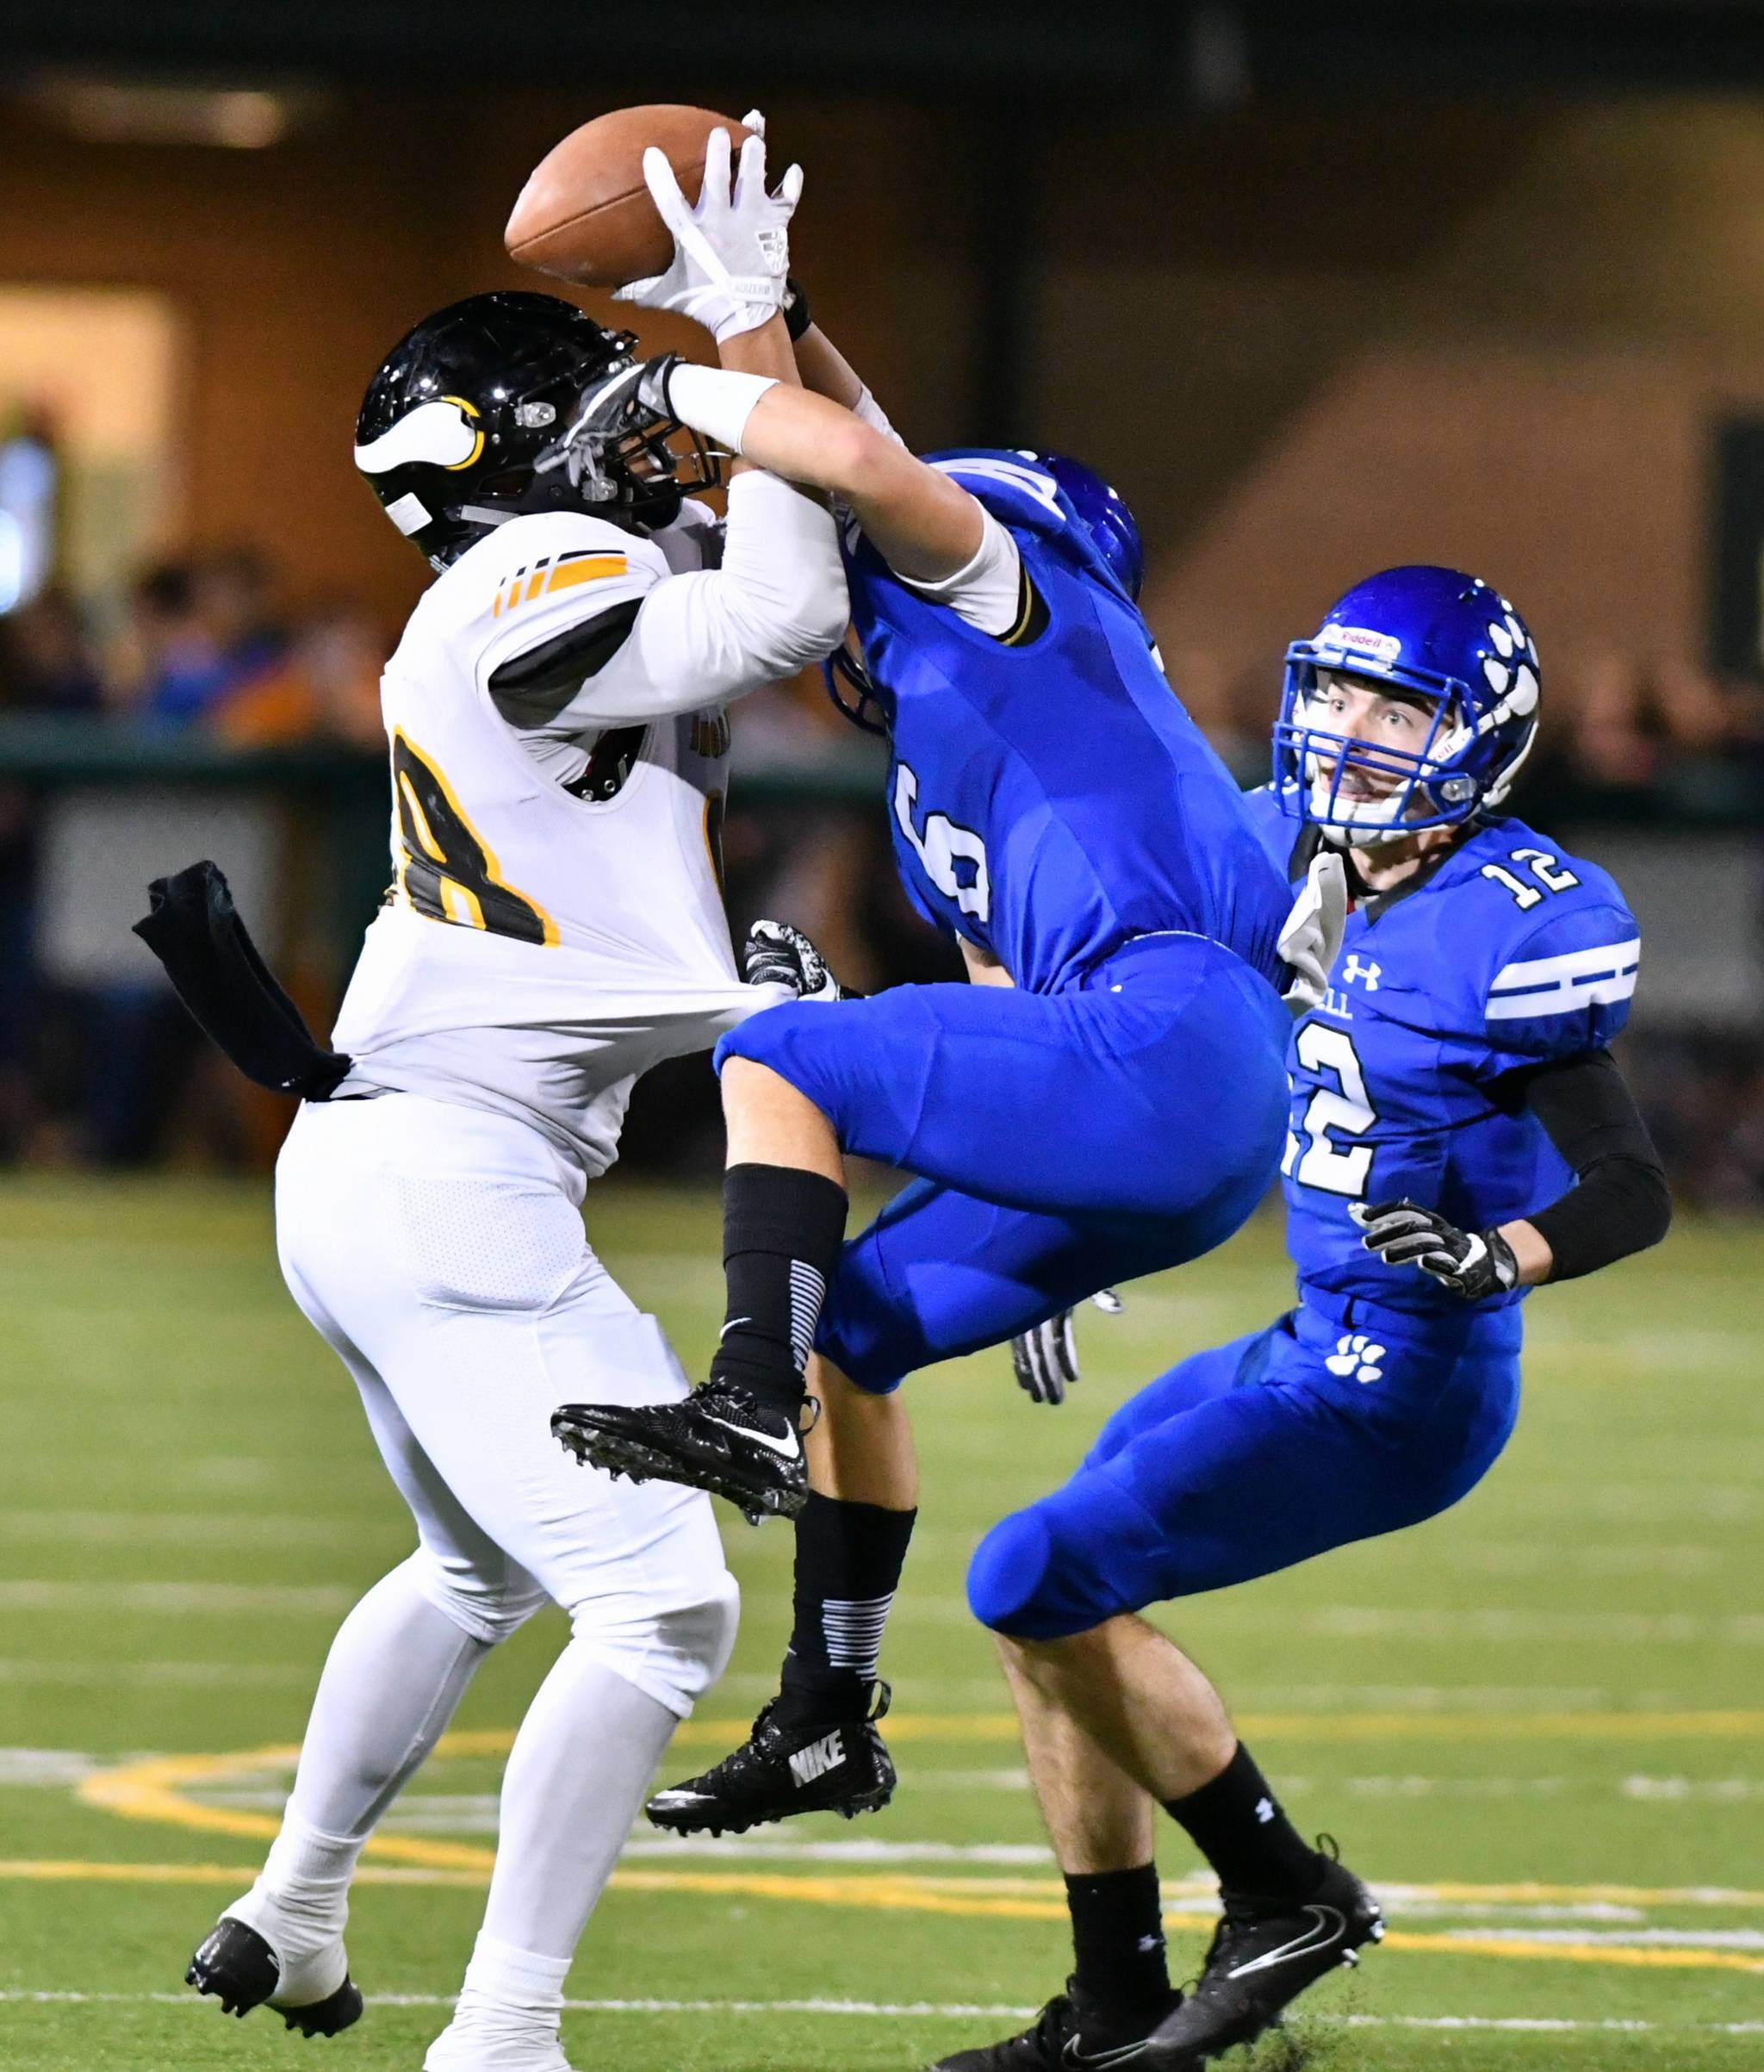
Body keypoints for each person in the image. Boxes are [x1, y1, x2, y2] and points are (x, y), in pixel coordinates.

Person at [552, 127, 1345, 1838]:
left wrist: (722, 352)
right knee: (857, 1321)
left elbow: (860, 462)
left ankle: (739, 1398)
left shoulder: (1016, 598)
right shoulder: (944, 767)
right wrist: (774, 316)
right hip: (1161, 1091)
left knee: (777, 1040)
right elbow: (1001, 1003)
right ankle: (828, 1708)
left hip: (1167, 1040)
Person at [180, 130, 850, 2072]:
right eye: (596, 411)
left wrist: (761, 348)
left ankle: (297, 1907)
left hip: (385, 1160)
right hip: (442, 1171)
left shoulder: (532, 580)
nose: (642, 436)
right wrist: (735, 322)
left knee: (477, 1565)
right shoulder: (540, 569)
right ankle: (503, 2032)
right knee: (660, 1611)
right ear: (514, 456)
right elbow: (786, 615)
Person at [931, 565, 1672, 2070]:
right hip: (1305, 1334)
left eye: (1395, 704)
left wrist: (1502, 1252)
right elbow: (1118, 1054)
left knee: (1028, 1573)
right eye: (1335, 689)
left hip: (1408, 1379)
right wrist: (1053, 1237)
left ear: (1480, 733)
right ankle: (1117, 2002)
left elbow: (1633, 1183)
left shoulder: (1510, 922)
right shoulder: (1274, 848)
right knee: (1054, 1603)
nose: (1349, 729)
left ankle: (1285, 1887)